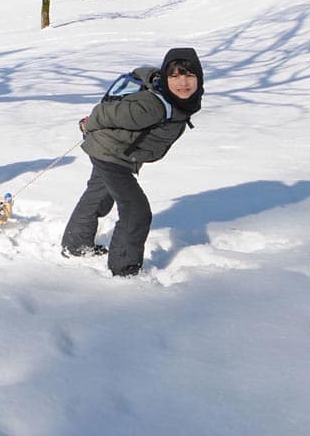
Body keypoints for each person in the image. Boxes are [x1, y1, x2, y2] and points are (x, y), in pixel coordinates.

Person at [60, 47, 204, 277]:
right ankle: (124, 270)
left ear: (199, 77)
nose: (182, 83)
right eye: (174, 76)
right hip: (110, 152)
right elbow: (106, 113)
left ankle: (75, 245)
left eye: (189, 75)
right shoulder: (152, 105)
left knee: (99, 194)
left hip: (121, 151)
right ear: (166, 78)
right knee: (136, 210)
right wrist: (88, 126)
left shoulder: (182, 101)